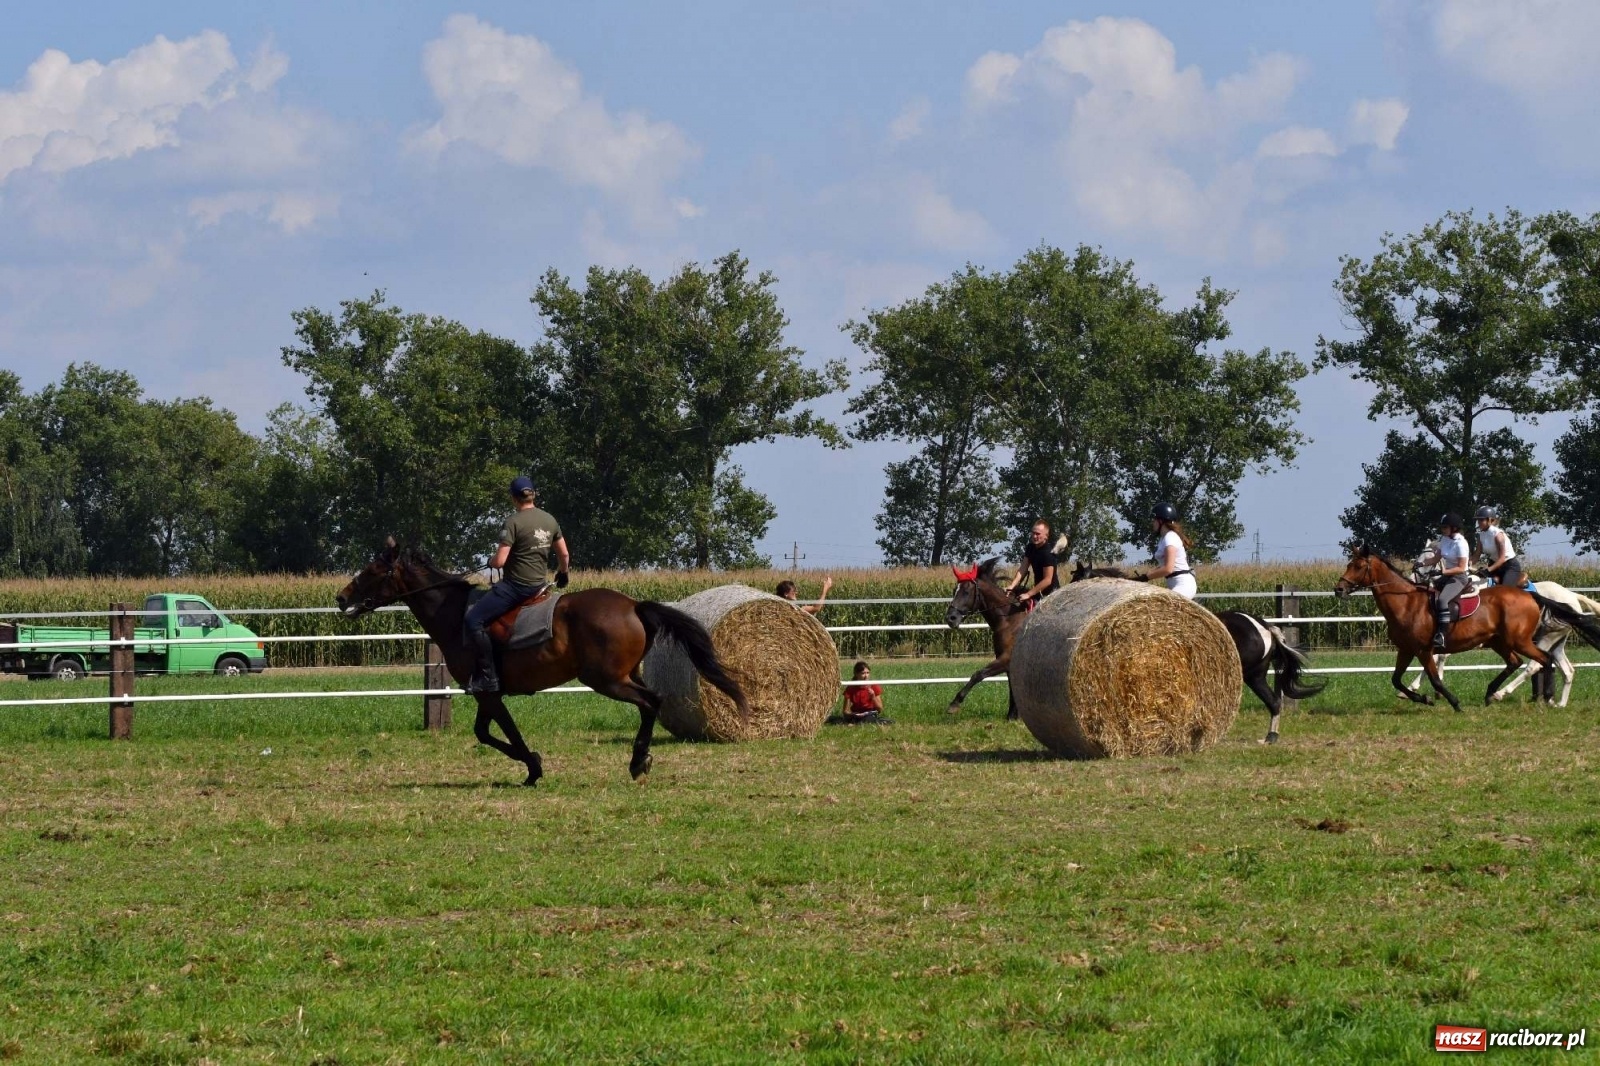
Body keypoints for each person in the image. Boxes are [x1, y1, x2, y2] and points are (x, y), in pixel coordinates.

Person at [462, 476, 569, 693]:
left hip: (516, 587)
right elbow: (564, 554)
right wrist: (563, 572)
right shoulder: (550, 520)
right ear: (533, 495)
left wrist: (491, 561)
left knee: (473, 620)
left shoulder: (513, 522)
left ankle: (488, 677)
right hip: (539, 585)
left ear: (513, 498)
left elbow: (500, 561)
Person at [1432, 512, 1471, 652]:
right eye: (1442, 527)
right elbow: (1436, 558)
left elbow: (1461, 567)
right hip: (1447, 575)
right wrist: (1421, 564)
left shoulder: (1461, 543)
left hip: (1459, 577)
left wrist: (1443, 572)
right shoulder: (1444, 539)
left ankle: (1442, 635)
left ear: (1454, 528)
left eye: (1445, 527)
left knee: (1442, 600)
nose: (1442, 530)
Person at [1146, 503, 1197, 600]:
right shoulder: (1164, 539)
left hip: (1184, 585)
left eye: (1154, 519)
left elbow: (1168, 568)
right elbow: (1164, 565)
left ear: (1161, 521)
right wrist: (1146, 574)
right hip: (1175, 583)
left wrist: (1147, 577)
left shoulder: (1170, 538)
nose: (1153, 522)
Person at [1005, 521, 1060, 604]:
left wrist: (1028, 594)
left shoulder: (1048, 553)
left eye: (1038, 534)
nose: (1034, 536)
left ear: (1046, 536)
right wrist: (1012, 586)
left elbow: (1047, 580)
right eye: (1033, 533)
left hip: (1052, 595)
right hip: (1037, 592)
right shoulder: (1030, 547)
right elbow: (1022, 569)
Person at [1473, 505, 1524, 589]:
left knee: (1504, 590)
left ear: (1490, 520)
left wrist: (1488, 570)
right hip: (1494, 565)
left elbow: (1502, 559)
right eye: (1478, 520)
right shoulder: (1481, 535)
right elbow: (1477, 554)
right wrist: (1467, 564)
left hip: (1509, 566)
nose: (1479, 522)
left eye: (1481, 520)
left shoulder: (1498, 535)